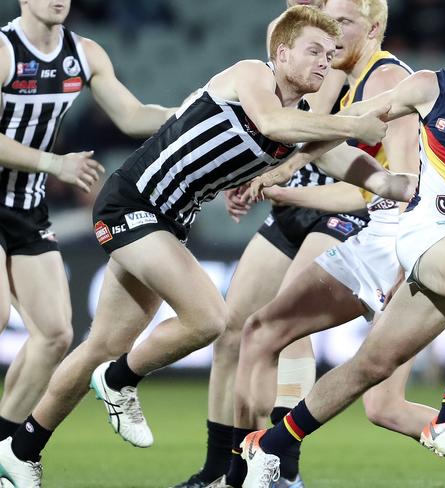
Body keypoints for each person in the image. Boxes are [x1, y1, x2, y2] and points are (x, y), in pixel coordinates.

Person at [0, 6, 415, 487]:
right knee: (211, 318)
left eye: (329, 54)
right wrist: (351, 125)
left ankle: (20, 449)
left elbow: (353, 169)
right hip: (132, 203)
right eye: (313, 51)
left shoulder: (299, 118)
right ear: (281, 54)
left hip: (166, 221)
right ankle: (119, 381)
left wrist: (404, 186)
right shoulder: (252, 75)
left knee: (102, 344)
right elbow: (273, 124)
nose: (325, 62)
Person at [240, 3, 445, 487]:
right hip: (424, 232)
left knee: (370, 369)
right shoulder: (430, 88)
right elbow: (352, 119)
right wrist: (287, 167)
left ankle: (269, 446)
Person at [171, 1, 367, 487]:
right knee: (230, 331)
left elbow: (303, 127)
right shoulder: (293, 55)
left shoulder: (331, 64)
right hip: (286, 207)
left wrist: (264, 171)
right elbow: (275, 130)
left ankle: (282, 471)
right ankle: (220, 470)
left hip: (333, 205)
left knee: (289, 329)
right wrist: (251, 178)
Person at [0, 0, 179, 447]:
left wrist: (195, 116)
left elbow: (132, 116)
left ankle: (3, 448)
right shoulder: (4, 50)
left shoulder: (85, 54)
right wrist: (52, 163)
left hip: (26, 208)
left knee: (55, 336)